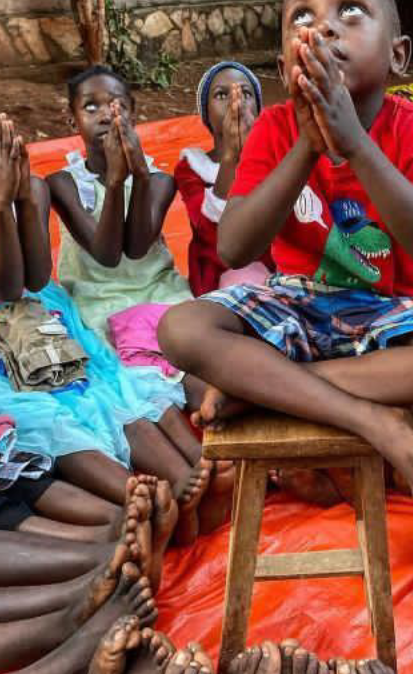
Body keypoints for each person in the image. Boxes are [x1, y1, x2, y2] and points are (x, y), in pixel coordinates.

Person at [159, 0, 413, 507]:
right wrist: (308, 146)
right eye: (302, 16)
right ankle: (368, 418)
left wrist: (355, 143)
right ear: (283, 68)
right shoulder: (275, 128)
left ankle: (265, 390)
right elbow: (234, 247)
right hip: (296, 305)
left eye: (351, 10)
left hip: (391, 316)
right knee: (180, 328)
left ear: (398, 55)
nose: (323, 27)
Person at [0, 114, 220, 544]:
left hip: (41, 311)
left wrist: (23, 198)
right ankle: (135, 501)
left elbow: (35, 277)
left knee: (105, 387)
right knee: (48, 413)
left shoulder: (34, 187)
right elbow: (6, 287)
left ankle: (183, 482)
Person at [46, 65, 210, 411]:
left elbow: (136, 248)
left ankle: (216, 409)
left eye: (117, 104)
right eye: (91, 106)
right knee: (135, 376)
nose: (106, 114)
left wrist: (139, 176)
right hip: (97, 301)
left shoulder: (159, 181)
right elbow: (107, 255)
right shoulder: (62, 183)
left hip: (159, 291)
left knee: (196, 357)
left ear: (133, 114)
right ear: (72, 120)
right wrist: (116, 181)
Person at [175, 61, 275, 297]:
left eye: (246, 94)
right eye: (221, 95)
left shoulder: (276, 157)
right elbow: (211, 235)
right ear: (206, 113)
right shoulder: (191, 167)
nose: (235, 102)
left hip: (277, 271)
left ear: (258, 109)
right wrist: (232, 156)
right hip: (217, 276)